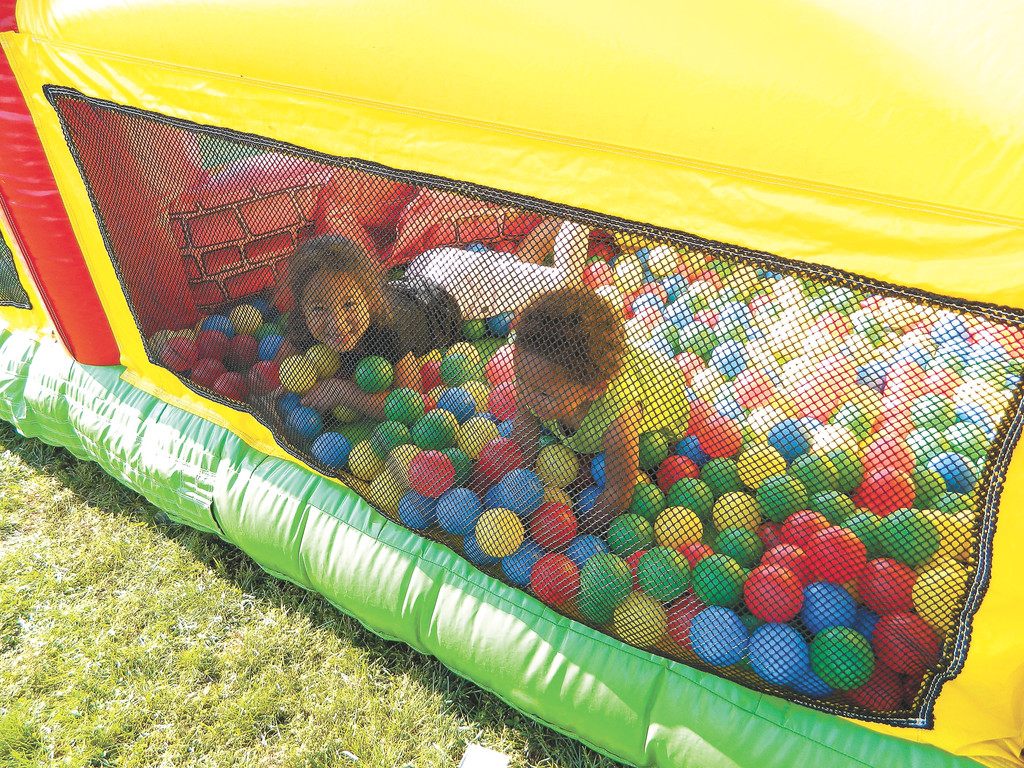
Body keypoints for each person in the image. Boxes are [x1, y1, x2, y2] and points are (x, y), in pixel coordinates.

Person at [277, 218, 588, 420]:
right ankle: (538, 244)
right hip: (424, 270)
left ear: (369, 298)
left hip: (458, 291)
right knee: (518, 273)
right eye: (319, 309)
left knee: (566, 284)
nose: (336, 322)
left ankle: (579, 207)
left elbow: (408, 399)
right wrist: (270, 394)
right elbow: (280, 367)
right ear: (302, 305)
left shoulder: (386, 330)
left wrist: (341, 391)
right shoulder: (304, 319)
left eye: (348, 304)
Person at [511, 286, 690, 531]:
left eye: (543, 393)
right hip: (593, 384)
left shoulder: (618, 422)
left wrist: (579, 532)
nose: (525, 394)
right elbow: (524, 432)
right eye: (519, 378)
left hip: (661, 403)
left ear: (594, 390)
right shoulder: (537, 378)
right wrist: (522, 485)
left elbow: (619, 493)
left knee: (653, 450)